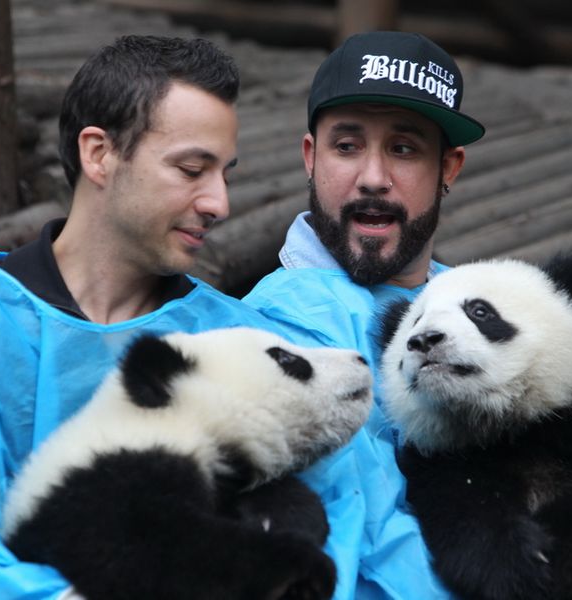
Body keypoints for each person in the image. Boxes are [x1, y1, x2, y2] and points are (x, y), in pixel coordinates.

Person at [0, 35, 282, 599]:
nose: (219, 202)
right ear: (99, 154)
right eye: (192, 169)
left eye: (224, 172)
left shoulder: (231, 337)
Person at [243, 31, 485, 599]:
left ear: (448, 167)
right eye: (347, 146)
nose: (373, 177)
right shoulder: (280, 325)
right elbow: (362, 538)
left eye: (403, 149)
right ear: (311, 157)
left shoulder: (471, 297)